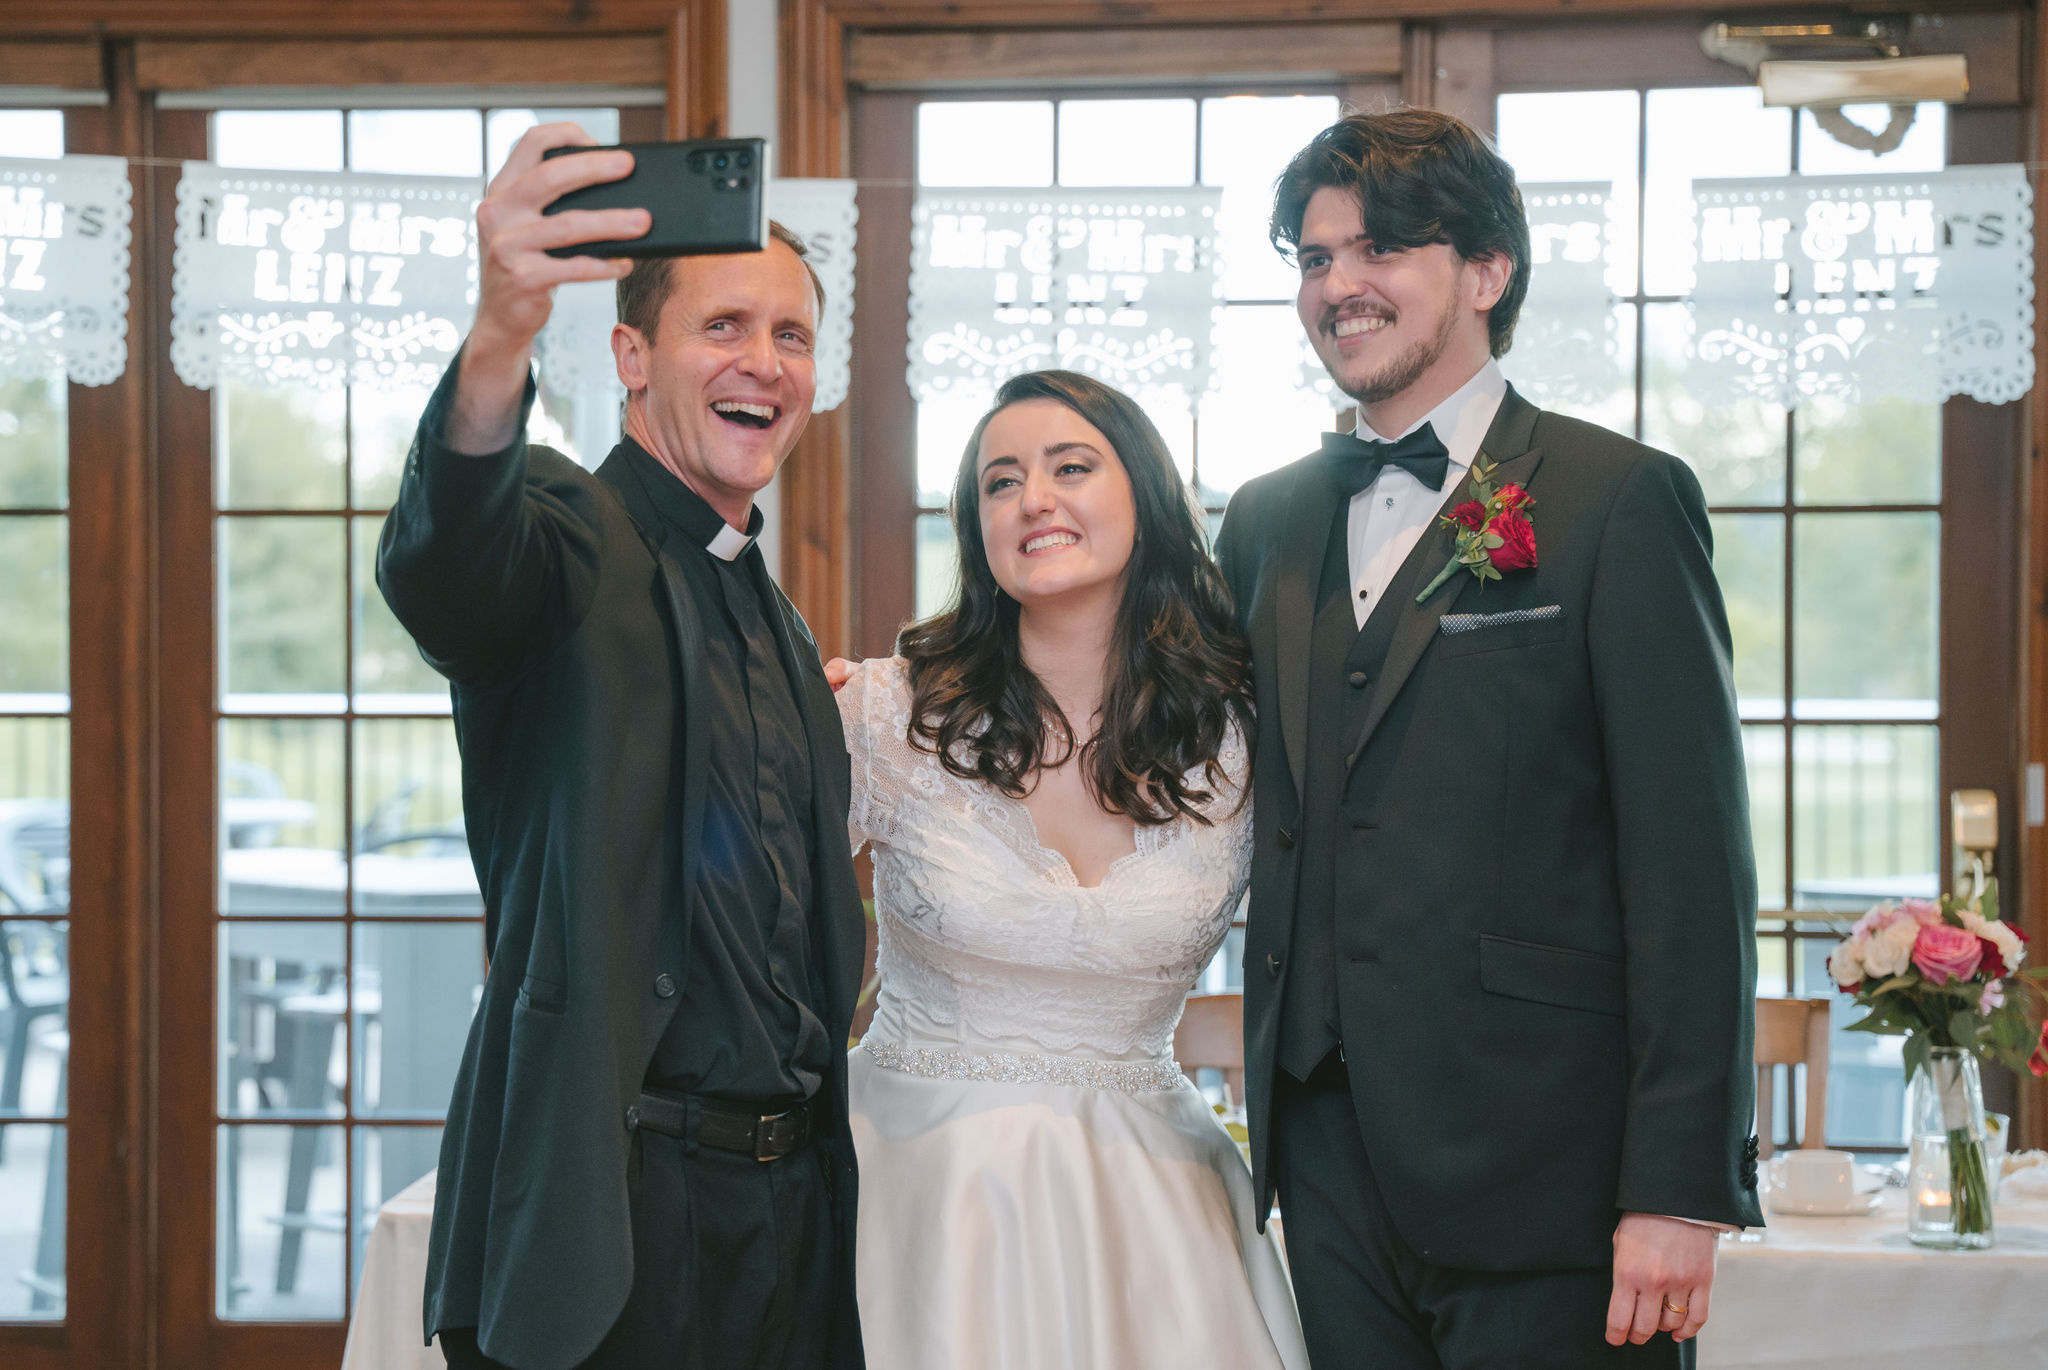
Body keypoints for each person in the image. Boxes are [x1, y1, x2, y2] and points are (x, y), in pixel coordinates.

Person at [1214, 108, 1765, 1370]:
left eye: (1379, 248)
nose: (1337, 285)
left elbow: (1689, 867)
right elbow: (1161, 726)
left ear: (1484, 271)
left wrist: (1678, 1186)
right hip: (1322, 1162)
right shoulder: (1264, 519)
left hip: (1551, 1171)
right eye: (1313, 258)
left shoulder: (1616, 500)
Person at [377, 123, 865, 1370]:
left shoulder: (778, 617)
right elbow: (445, 565)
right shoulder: (565, 532)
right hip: (613, 1223)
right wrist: (501, 331)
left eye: (791, 334)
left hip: (789, 1227)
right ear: (631, 356)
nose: (762, 360)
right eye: (723, 325)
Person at [829, 369, 1309, 1368]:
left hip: (1153, 1209)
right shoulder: (884, 712)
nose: (1033, 498)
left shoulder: (1238, 740)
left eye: (1071, 467)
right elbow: (739, 912)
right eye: (1000, 481)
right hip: (914, 1194)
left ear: (1144, 492)